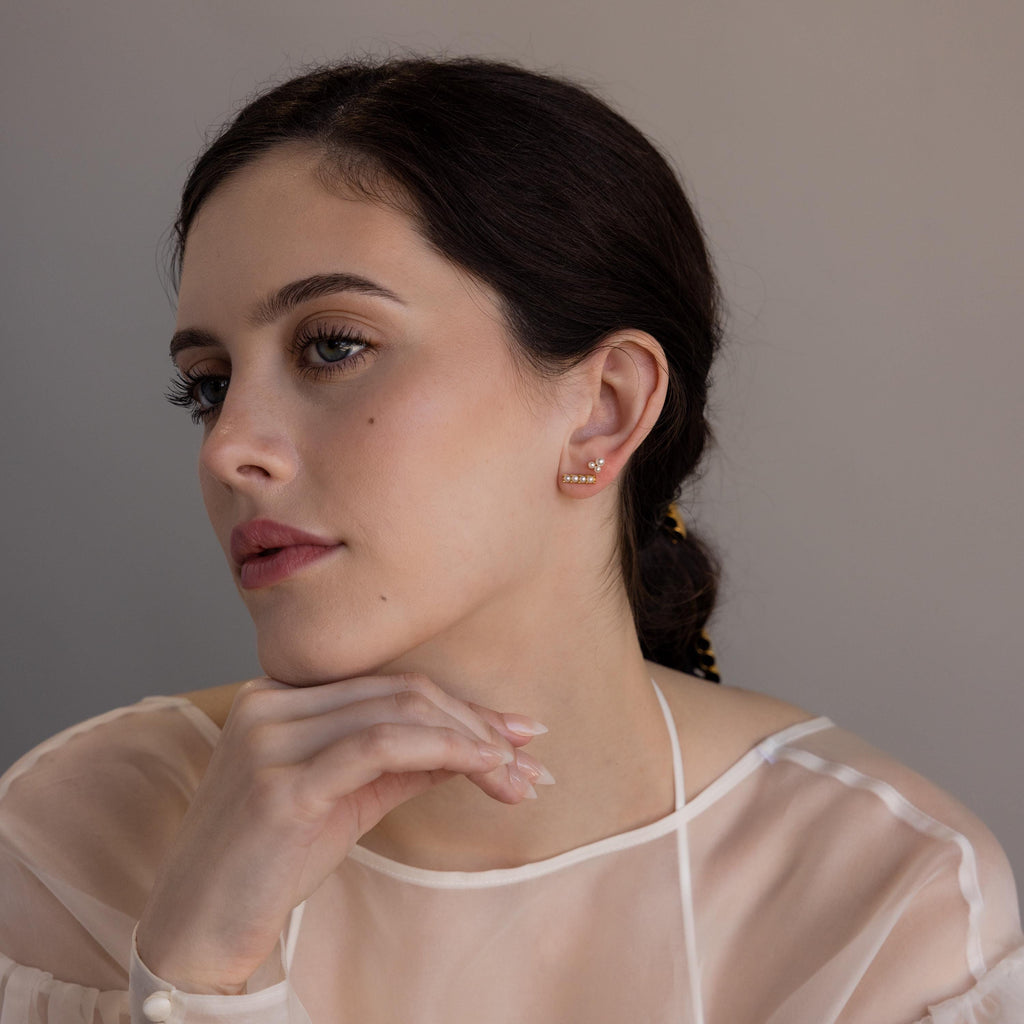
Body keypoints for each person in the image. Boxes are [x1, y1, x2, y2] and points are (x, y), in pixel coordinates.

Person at [0, 56, 1021, 1024]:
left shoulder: (885, 896)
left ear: (603, 409)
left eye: (332, 345)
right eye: (210, 385)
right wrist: (199, 968)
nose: (228, 450)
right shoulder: (78, 837)